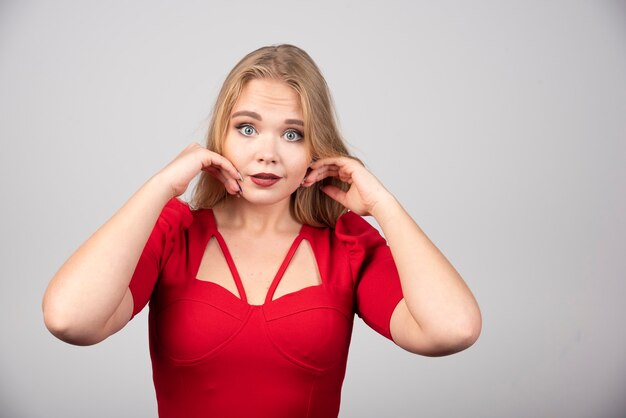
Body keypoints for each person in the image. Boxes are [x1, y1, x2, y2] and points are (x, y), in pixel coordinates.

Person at [42, 44, 481, 418]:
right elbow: (69, 321)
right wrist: (161, 187)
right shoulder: (173, 235)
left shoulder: (345, 244)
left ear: (316, 147)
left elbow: (453, 329)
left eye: (293, 134)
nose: (267, 153)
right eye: (247, 128)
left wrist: (384, 205)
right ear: (221, 136)